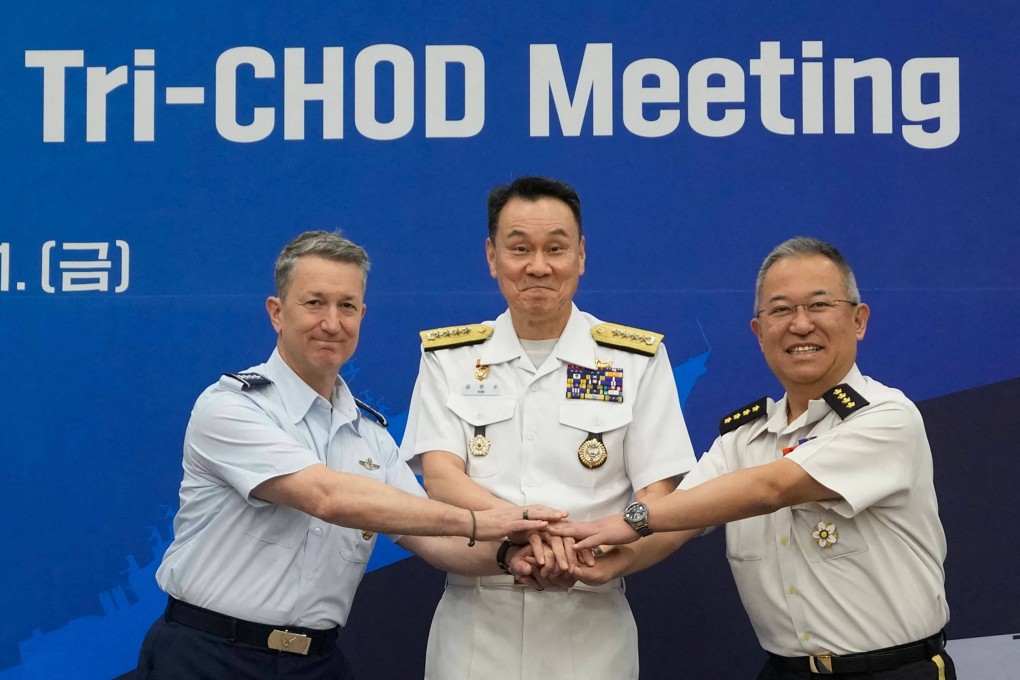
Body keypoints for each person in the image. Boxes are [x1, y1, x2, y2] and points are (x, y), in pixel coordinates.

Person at [135, 231, 565, 680]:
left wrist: (508, 558)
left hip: (316, 663)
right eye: (314, 303)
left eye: (346, 306)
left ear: (361, 315)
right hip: (207, 657)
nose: (331, 322)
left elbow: (433, 536)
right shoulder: (230, 406)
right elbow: (326, 497)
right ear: (276, 313)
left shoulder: (371, 435)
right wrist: (483, 521)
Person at [552, 236, 954, 679]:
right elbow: (673, 521)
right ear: (758, 332)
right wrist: (593, 558)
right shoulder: (743, 438)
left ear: (858, 320)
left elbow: (772, 487)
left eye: (819, 306)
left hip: (893, 671)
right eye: (780, 310)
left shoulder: (887, 418)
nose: (800, 325)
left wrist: (628, 520)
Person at [399, 176, 697, 680]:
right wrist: (528, 530)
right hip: (476, 624)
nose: (538, 266)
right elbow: (441, 477)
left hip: (590, 616)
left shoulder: (635, 360)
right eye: (520, 248)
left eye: (555, 248)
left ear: (581, 255)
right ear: (492, 257)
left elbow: (659, 492)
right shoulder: (451, 358)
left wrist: (598, 554)